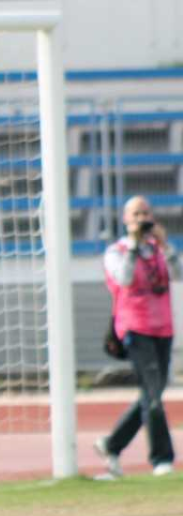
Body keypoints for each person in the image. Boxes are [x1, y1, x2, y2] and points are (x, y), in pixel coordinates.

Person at [96, 195, 179, 479]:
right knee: (154, 398)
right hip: (134, 329)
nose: (141, 219)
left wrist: (166, 245)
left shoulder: (159, 250)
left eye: (145, 213)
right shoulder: (116, 251)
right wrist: (133, 245)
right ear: (125, 219)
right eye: (136, 214)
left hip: (163, 329)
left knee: (151, 393)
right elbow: (125, 279)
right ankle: (162, 458)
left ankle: (111, 444)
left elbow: (177, 275)